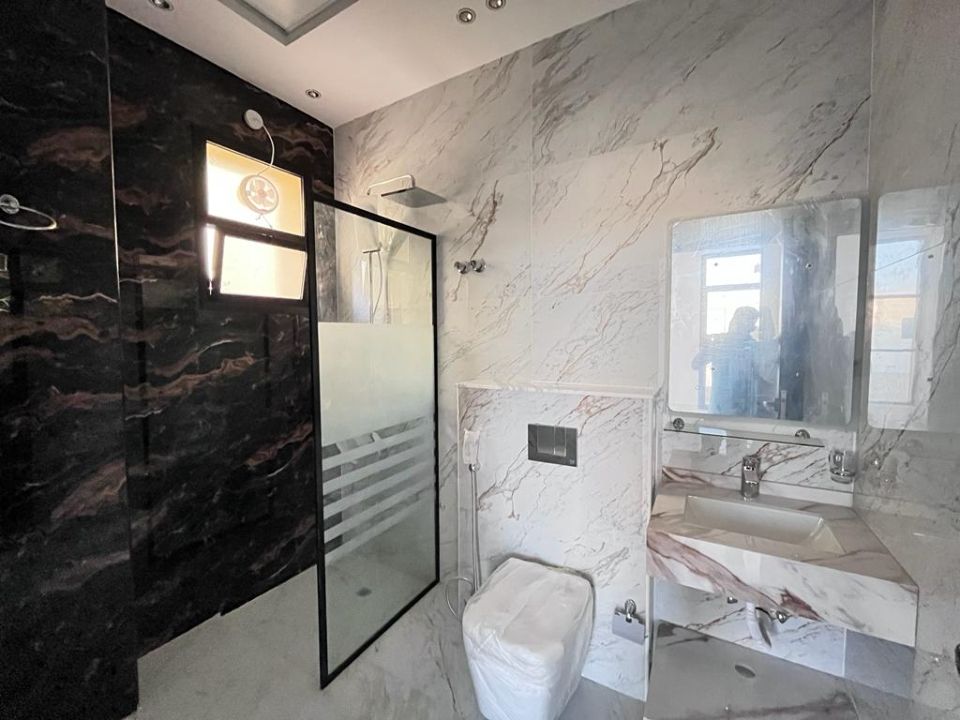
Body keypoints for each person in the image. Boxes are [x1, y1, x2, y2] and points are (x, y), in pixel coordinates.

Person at [692, 306, 760, 415]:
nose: (752, 327)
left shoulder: (752, 346)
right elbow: (695, 364)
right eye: (747, 321)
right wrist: (709, 347)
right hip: (720, 410)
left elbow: (758, 378)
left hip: (743, 411)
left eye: (752, 323)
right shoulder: (719, 342)